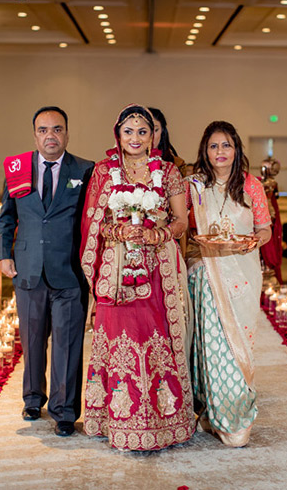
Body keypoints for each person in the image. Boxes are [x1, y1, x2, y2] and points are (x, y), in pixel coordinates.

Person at [80, 104, 194, 451]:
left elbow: (181, 221)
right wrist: (119, 231)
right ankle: (117, 418)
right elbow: (91, 222)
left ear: (153, 136)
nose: (135, 138)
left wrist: (155, 235)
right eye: (128, 131)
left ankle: (164, 419)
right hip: (116, 271)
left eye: (142, 131)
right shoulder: (103, 171)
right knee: (118, 337)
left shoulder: (169, 171)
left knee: (156, 333)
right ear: (118, 134)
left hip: (159, 270)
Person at [0, 106, 94, 436]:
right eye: (43, 130)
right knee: (33, 339)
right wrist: (2, 255)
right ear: (34, 133)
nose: (50, 135)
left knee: (68, 343)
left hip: (69, 270)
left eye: (57, 129)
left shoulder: (85, 169)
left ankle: (64, 410)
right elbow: (6, 217)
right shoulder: (16, 168)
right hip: (28, 268)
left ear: (67, 133)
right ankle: (33, 398)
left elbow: (89, 222)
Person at [185, 121, 271, 447]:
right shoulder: (194, 186)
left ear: (236, 149)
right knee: (211, 346)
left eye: (226, 145)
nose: (220, 152)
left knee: (239, 348)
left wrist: (254, 241)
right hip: (207, 274)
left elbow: (264, 229)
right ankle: (216, 413)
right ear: (205, 152)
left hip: (243, 275)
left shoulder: (252, 186)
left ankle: (235, 412)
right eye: (213, 146)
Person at [149, 107, 187, 178]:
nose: (151, 135)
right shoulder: (126, 164)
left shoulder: (177, 164)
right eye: (144, 131)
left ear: (162, 131)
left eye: (155, 130)